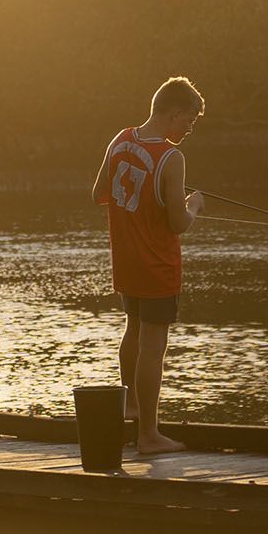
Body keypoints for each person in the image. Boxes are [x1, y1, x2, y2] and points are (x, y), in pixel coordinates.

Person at [93, 78, 205, 456]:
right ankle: (148, 436)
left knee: (134, 332)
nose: (188, 130)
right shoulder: (172, 159)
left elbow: (99, 193)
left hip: (126, 262)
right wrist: (195, 204)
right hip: (157, 265)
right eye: (188, 121)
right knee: (153, 347)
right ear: (174, 113)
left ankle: (131, 406)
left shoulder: (121, 140)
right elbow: (178, 223)